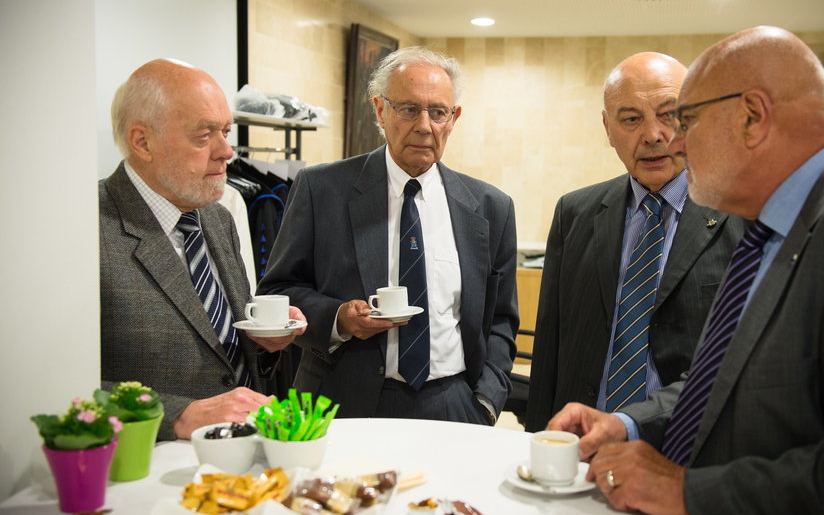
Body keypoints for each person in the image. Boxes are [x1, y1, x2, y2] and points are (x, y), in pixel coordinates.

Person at [549, 26, 824, 515]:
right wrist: (627, 423)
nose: (674, 141)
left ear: (752, 117)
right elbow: (721, 381)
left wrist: (690, 492)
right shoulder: (773, 228)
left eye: (687, 119)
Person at [258, 46, 518, 425]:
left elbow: (500, 320)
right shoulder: (322, 189)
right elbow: (279, 291)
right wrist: (338, 318)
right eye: (409, 109)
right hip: (341, 403)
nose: (425, 126)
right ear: (380, 110)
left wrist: (487, 402)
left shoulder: (491, 207)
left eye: (438, 112)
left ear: (454, 118)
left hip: (453, 405)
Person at [525, 53, 744, 432]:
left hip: (688, 446)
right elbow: (550, 347)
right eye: (631, 119)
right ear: (608, 128)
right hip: (583, 443)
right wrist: (538, 441)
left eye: (669, 115)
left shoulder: (741, 214)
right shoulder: (574, 213)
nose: (653, 135)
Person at [100, 59, 306, 441]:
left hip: (244, 456)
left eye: (225, 131)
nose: (227, 151)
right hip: (152, 465)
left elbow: (226, 352)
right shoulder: (86, 229)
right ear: (142, 142)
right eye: (204, 135)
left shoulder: (217, 217)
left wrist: (266, 343)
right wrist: (176, 415)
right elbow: (55, 382)